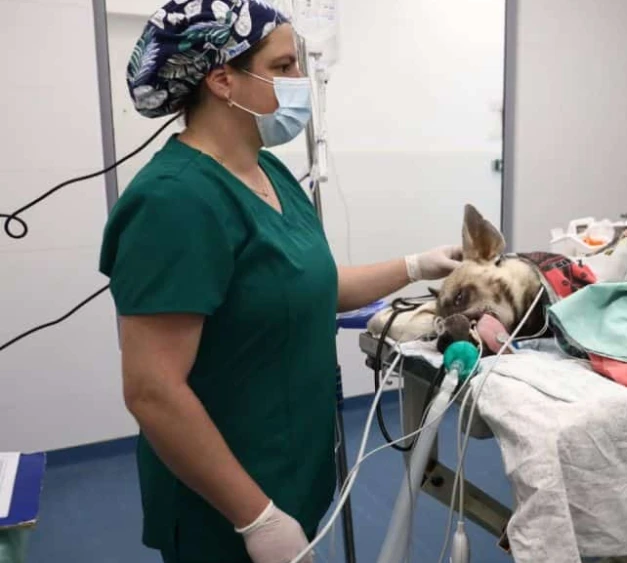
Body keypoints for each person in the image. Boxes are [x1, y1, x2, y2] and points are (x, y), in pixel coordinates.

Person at [97, 1, 462, 562]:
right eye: (286, 65)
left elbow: (306, 283)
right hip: (224, 503)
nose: (301, 82)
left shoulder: (268, 172)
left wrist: (416, 265)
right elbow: (153, 390)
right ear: (222, 80)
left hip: (289, 471)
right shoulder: (174, 202)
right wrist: (257, 519)